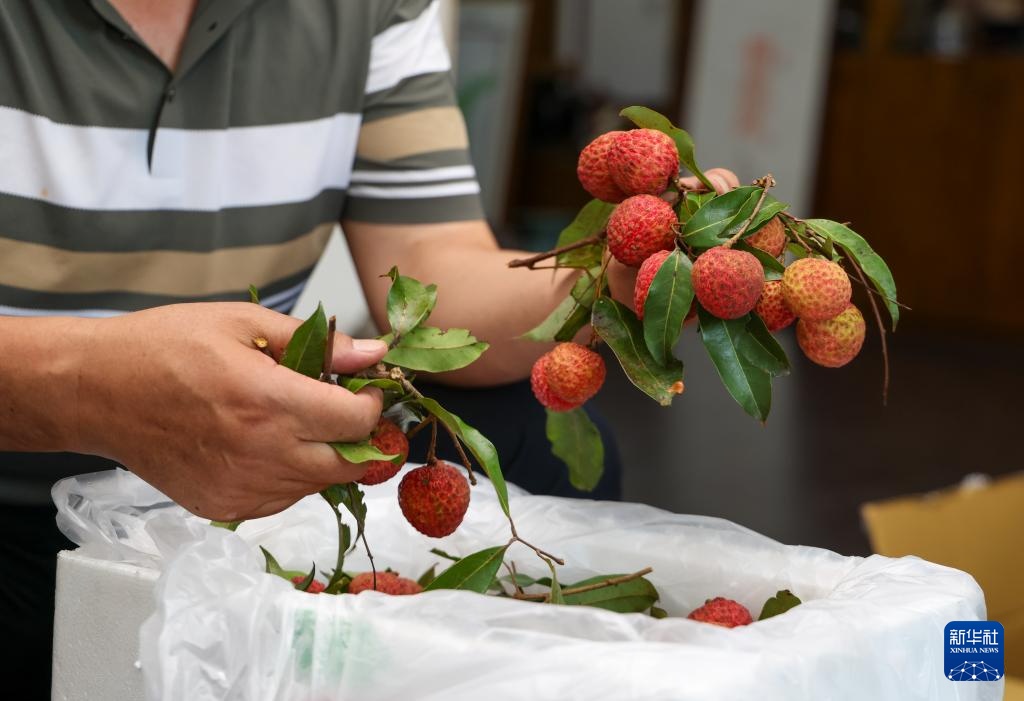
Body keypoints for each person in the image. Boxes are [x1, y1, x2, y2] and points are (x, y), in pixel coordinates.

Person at [0, 0, 738, 695]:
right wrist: (88, 388)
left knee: (536, 438)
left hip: (242, 470)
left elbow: (431, 261)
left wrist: (603, 280)